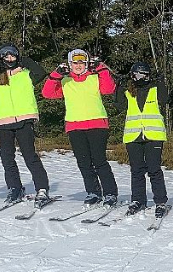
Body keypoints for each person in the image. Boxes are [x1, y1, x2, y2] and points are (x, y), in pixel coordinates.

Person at [0, 44, 51, 206]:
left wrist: (26, 61)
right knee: (7, 157)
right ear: (1, 59)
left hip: (24, 120)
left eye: (13, 56)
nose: (10, 59)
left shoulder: (26, 74)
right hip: (4, 122)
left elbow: (41, 73)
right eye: (6, 57)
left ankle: (42, 188)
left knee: (29, 156)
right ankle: (14, 188)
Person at [41, 48, 118, 205]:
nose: (78, 66)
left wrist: (101, 68)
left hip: (97, 124)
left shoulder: (94, 77)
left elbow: (109, 89)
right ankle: (93, 192)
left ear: (87, 63)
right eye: (75, 63)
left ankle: (110, 193)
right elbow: (47, 93)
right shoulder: (65, 81)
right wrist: (56, 75)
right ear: (70, 64)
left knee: (99, 160)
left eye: (82, 63)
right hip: (75, 126)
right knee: (83, 162)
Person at [115, 62, 169, 217]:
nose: (140, 78)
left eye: (143, 75)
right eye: (137, 75)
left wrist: (161, 82)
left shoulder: (154, 89)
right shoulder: (128, 92)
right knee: (136, 170)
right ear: (132, 76)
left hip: (153, 135)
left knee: (154, 169)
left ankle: (160, 201)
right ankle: (138, 200)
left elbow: (164, 100)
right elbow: (119, 105)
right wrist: (118, 86)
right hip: (133, 136)